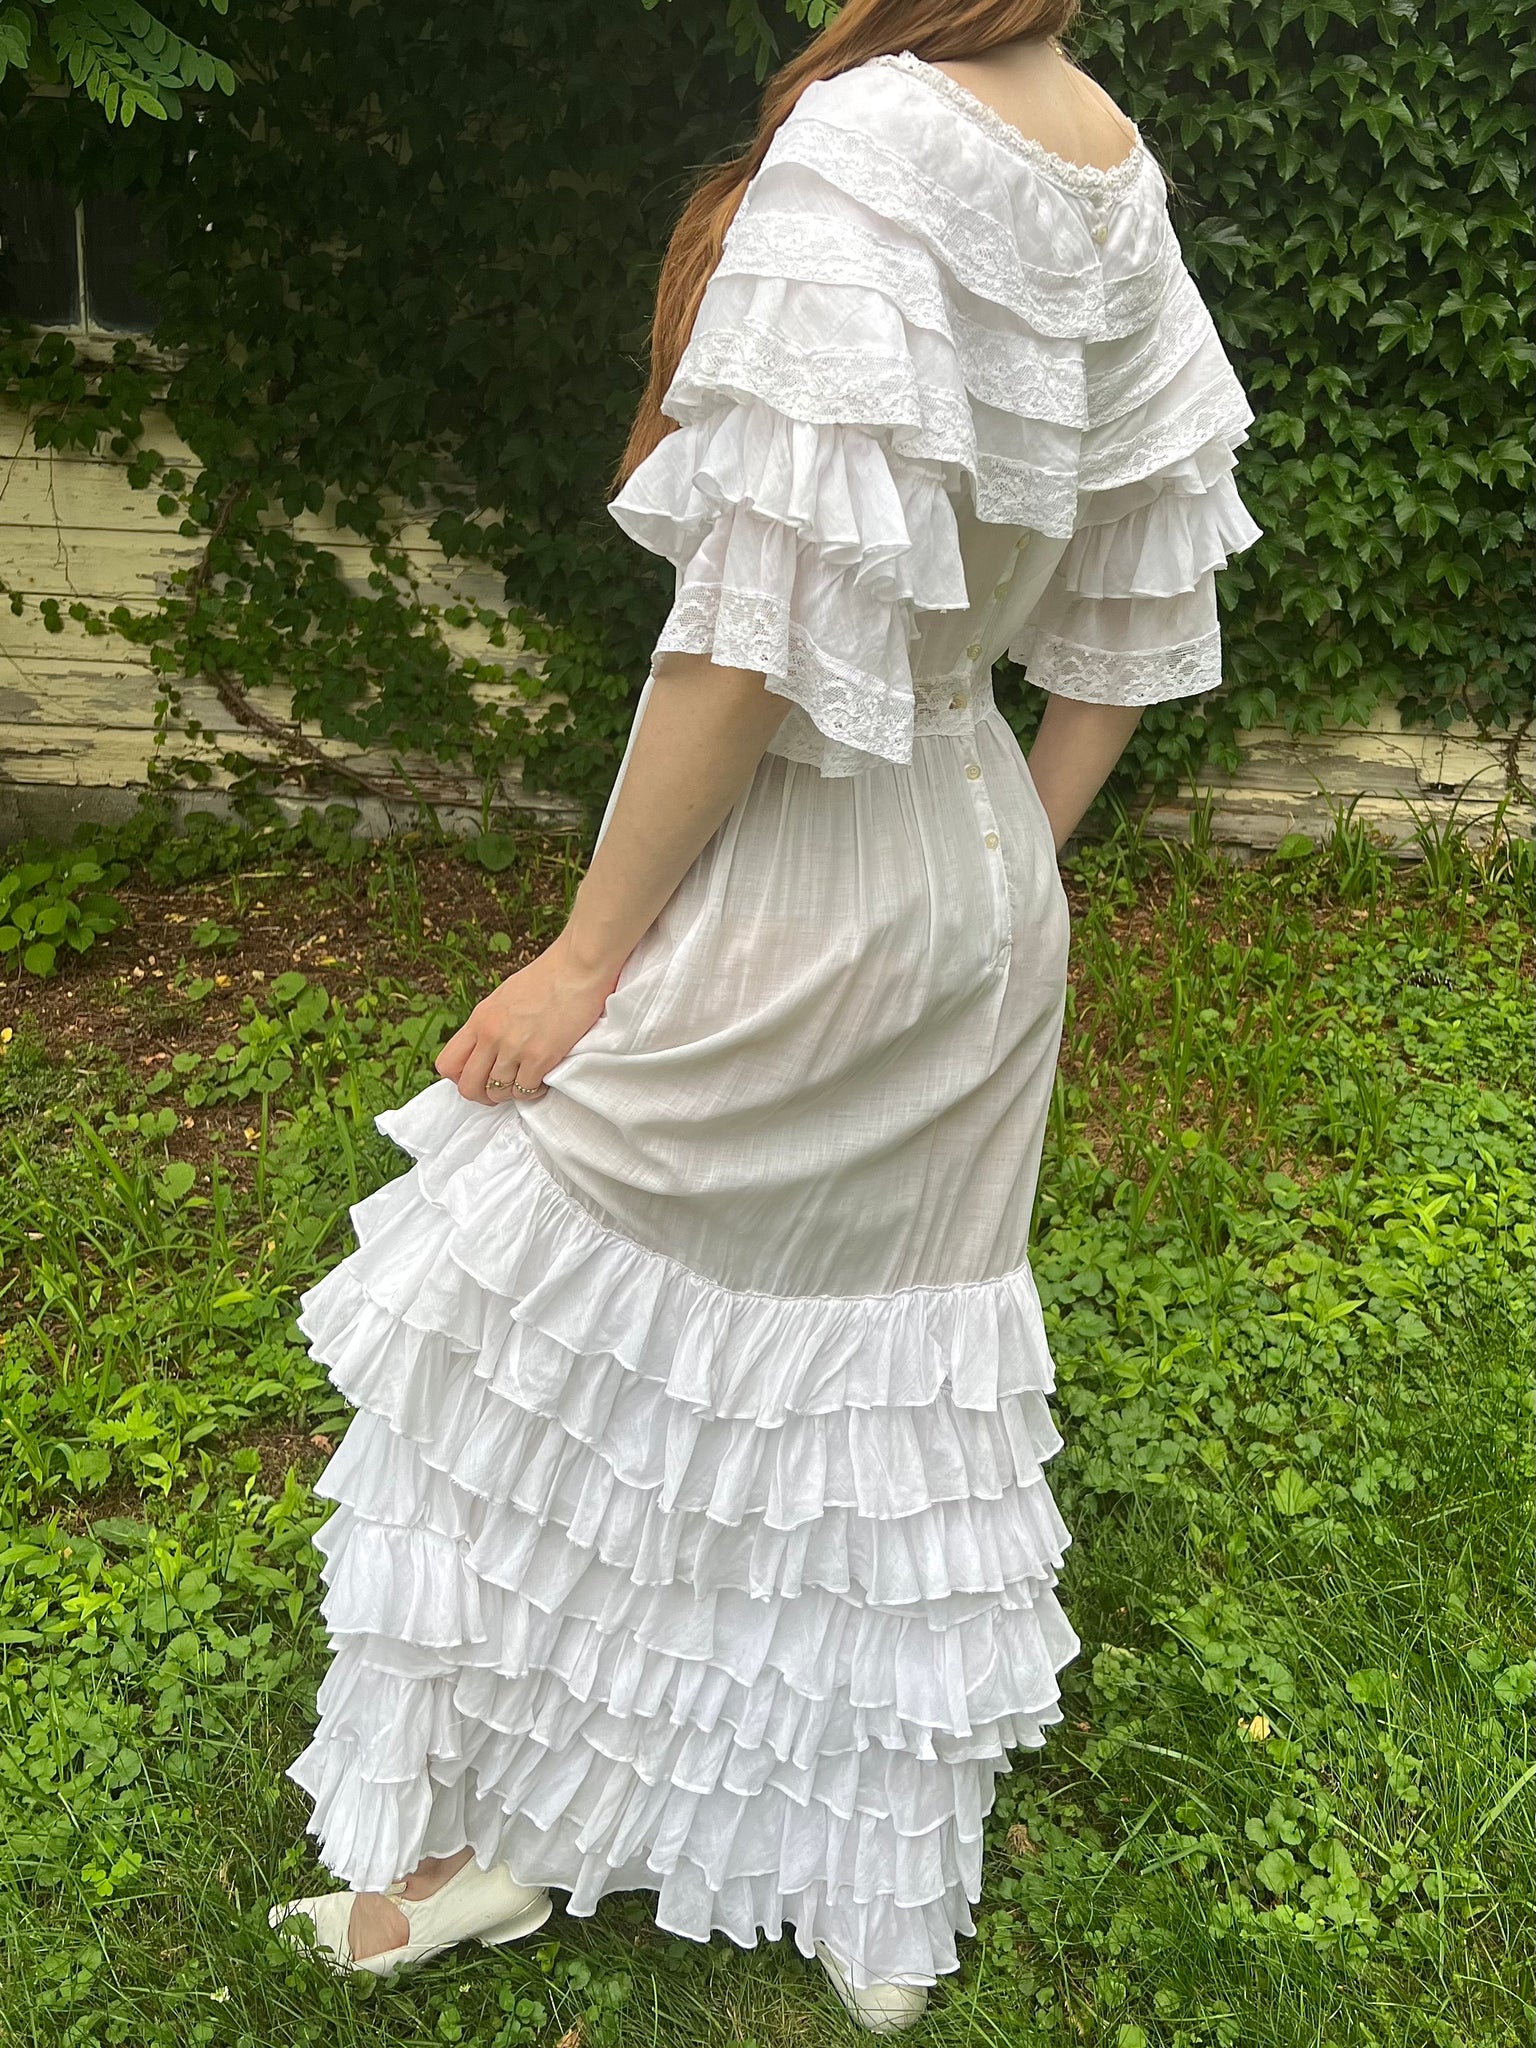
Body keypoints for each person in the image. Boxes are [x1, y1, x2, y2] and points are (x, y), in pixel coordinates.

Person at [267, 1, 1261, 2031]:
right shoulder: (1107, 168)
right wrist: (1015, 867)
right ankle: (874, 1907)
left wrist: (583, 952)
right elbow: (1136, 620)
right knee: (881, 1385)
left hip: (810, 867)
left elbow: (741, 643)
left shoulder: (872, 140)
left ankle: (482, 1843)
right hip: (982, 859)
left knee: (505, 1317)